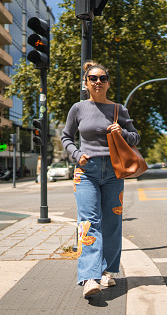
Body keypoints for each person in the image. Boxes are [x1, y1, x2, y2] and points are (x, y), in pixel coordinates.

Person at [61, 60, 141, 298]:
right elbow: (66, 137)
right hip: (86, 171)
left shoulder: (118, 109)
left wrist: (122, 132)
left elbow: (135, 138)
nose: (98, 82)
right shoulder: (78, 108)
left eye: (102, 78)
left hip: (115, 172)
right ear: (86, 83)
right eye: (93, 78)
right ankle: (89, 277)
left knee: (112, 224)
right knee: (89, 222)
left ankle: (106, 270)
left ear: (108, 83)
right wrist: (76, 154)